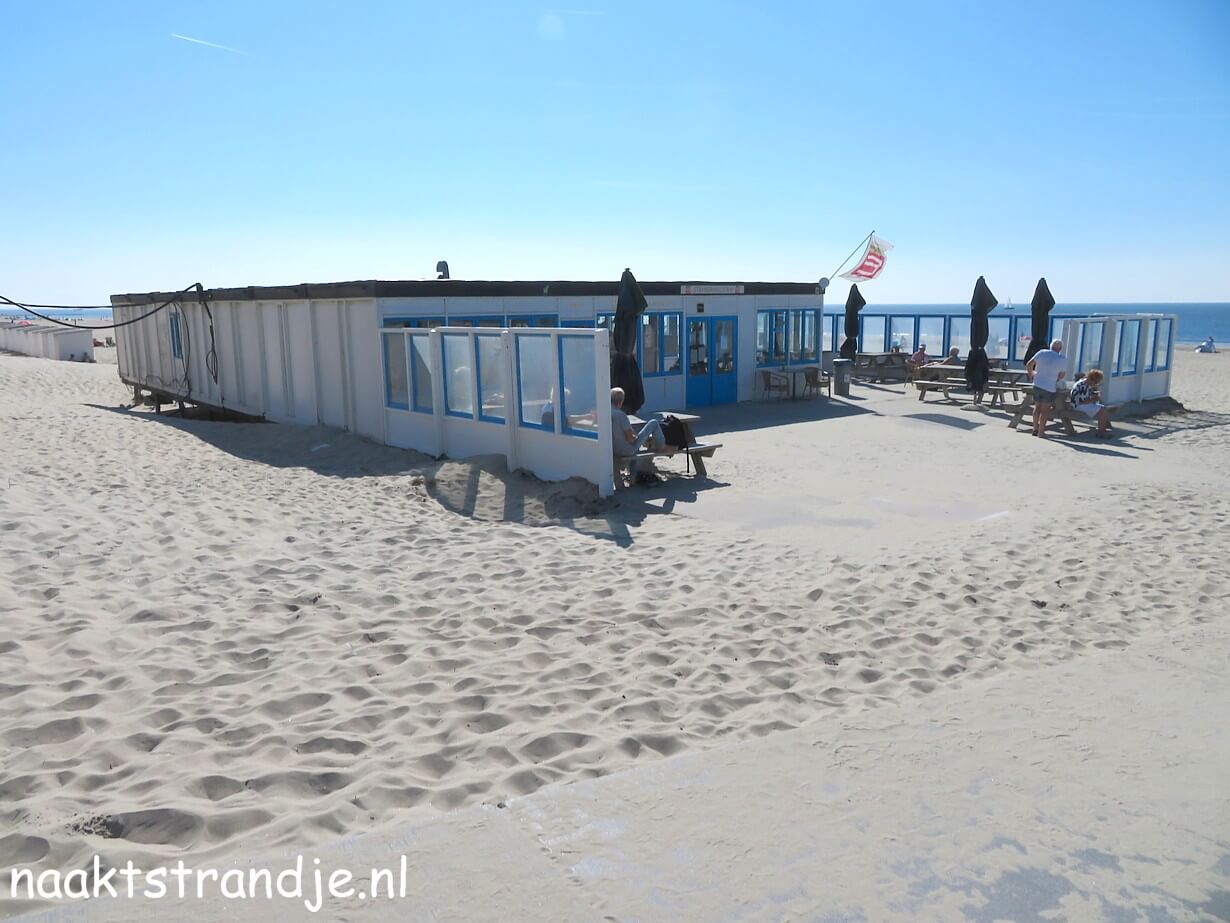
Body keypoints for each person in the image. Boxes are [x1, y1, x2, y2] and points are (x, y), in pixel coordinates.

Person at [610, 387, 674, 485]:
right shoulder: (621, 415)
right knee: (653, 423)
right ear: (621, 401)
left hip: (613, 449)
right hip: (625, 450)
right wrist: (635, 437)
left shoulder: (606, 413)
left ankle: (632, 477)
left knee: (637, 447)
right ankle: (662, 447)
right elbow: (630, 439)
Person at [1026, 338, 1066, 438]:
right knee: (1045, 410)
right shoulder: (1061, 359)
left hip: (1037, 383)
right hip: (1049, 387)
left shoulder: (1042, 352)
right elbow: (1061, 376)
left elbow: (1029, 364)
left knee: (1037, 407)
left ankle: (1035, 429)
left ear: (1050, 346)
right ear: (1060, 348)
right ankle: (1041, 432)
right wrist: (1055, 379)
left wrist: (1031, 374)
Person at [1069, 369, 1118, 438]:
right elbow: (1080, 401)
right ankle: (1101, 432)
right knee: (1102, 410)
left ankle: (1102, 430)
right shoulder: (1081, 385)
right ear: (1092, 379)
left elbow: (1087, 397)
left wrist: (1095, 396)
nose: (1096, 384)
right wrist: (1093, 400)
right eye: (1096, 382)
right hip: (1078, 405)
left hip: (1083, 404)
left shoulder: (1086, 383)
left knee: (1103, 409)